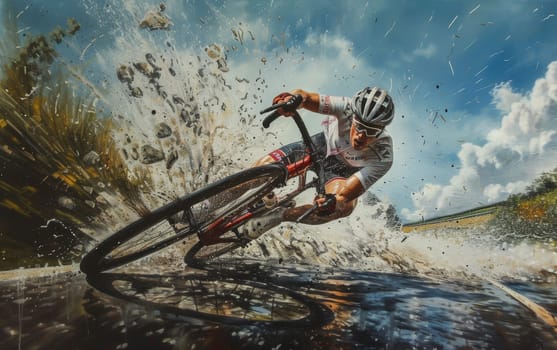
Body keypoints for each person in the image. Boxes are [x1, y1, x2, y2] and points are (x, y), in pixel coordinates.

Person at [240, 86, 395, 239]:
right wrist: (289, 99)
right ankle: (218, 201)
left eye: (372, 131)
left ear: (382, 129)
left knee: (342, 208)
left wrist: (334, 202)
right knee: (257, 173)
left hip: (338, 172)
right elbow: (304, 97)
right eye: (359, 126)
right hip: (318, 147)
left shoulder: (384, 156)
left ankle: (279, 216)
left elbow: (344, 197)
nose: (362, 136)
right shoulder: (346, 106)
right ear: (353, 116)